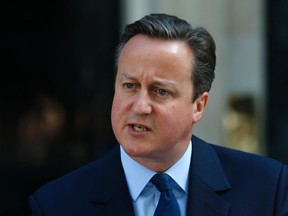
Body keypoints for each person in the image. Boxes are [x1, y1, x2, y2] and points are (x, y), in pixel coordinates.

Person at [29, 13, 288, 216]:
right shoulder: (56, 204)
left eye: (160, 91)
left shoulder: (267, 189)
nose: (140, 106)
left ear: (198, 106)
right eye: (129, 86)